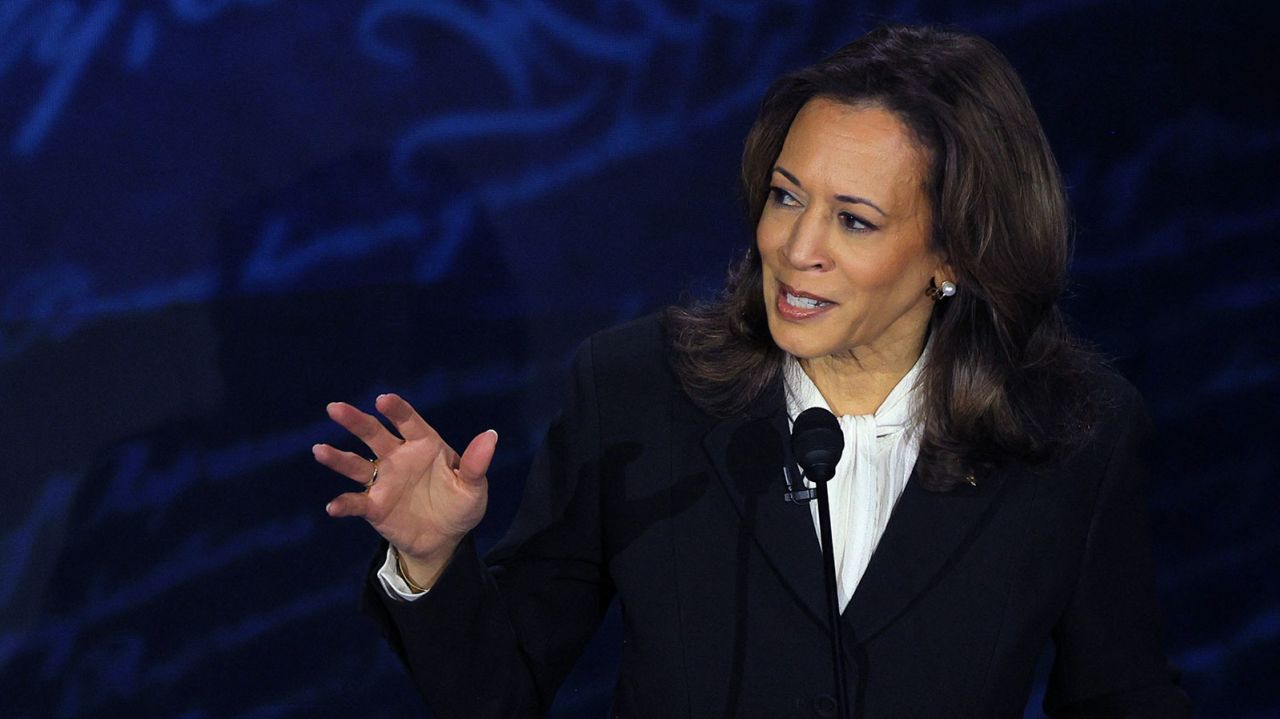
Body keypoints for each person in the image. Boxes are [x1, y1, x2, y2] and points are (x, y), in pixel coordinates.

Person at [314, 24, 1190, 718]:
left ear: (952, 253)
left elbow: (1122, 695)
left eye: (854, 220)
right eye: (785, 196)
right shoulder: (634, 392)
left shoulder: (1071, 436)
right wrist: (430, 562)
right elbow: (495, 696)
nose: (795, 248)